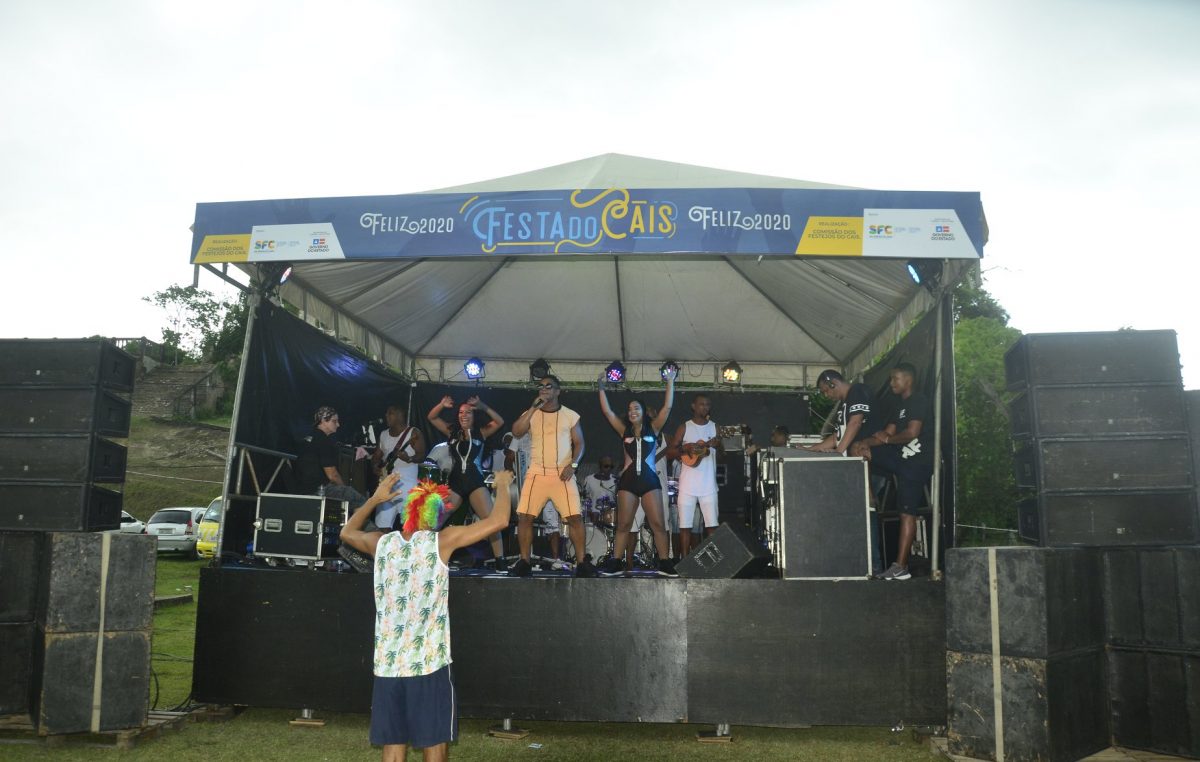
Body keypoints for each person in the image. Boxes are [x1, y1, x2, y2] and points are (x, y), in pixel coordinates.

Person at [341, 470, 514, 761]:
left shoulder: (382, 543)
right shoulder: (441, 542)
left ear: (408, 513)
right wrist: (504, 486)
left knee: (393, 747)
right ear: (434, 517)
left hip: (388, 665)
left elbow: (346, 533)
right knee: (435, 744)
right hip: (429, 664)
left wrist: (374, 499)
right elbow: (499, 521)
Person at [851, 362, 934, 581]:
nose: (891, 383)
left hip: (916, 463)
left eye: (894, 379)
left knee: (907, 513)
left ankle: (901, 567)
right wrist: (864, 442)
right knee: (860, 450)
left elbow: (911, 433)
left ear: (908, 380)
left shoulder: (919, 400)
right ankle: (869, 495)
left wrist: (887, 439)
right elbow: (886, 433)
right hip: (900, 458)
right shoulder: (900, 405)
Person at [510, 374, 595, 577]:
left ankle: (582, 563)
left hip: (562, 475)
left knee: (575, 517)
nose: (544, 389)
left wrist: (573, 465)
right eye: (541, 386)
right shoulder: (532, 413)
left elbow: (580, 443)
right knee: (525, 517)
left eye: (549, 386)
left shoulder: (570, 415)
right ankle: (524, 561)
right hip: (537, 473)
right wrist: (532, 408)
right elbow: (516, 431)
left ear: (558, 391)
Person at [597, 369, 678, 576]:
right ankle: (616, 562)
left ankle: (665, 563)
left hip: (650, 480)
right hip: (628, 481)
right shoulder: (623, 430)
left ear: (643, 411)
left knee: (658, 524)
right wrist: (601, 388)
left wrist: (670, 381)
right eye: (630, 408)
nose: (632, 411)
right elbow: (608, 413)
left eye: (636, 408)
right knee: (623, 524)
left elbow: (667, 407)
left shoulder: (654, 428)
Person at [427, 395, 506, 569]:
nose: (464, 415)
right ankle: (425, 555)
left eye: (468, 412)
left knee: (491, 522)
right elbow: (432, 417)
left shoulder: (481, 432)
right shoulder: (451, 432)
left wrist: (482, 405)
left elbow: (499, 421)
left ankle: (501, 562)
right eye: (461, 412)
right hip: (455, 483)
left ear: (474, 415)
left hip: (474, 482)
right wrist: (441, 404)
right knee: (434, 519)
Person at [669, 394, 723, 559]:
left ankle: (713, 560)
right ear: (693, 406)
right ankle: (684, 560)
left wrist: (718, 445)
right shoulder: (684, 427)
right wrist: (687, 449)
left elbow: (722, 455)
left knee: (712, 526)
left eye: (707, 404)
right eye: (701, 404)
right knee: (685, 526)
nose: (705, 407)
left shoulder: (715, 428)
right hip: (687, 486)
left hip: (708, 486)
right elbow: (670, 452)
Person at [371, 405, 426, 530]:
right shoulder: (384, 434)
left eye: (390, 413)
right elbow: (377, 456)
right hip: (387, 485)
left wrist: (409, 459)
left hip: (407, 486)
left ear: (400, 415)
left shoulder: (413, 433)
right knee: (382, 526)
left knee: (411, 526)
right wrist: (374, 466)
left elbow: (422, 456)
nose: (386, 416)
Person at [806, 370, 875, 454]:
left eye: (826, 391)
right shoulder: (842, 404)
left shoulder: (857, 391)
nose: (826, 395)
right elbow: (836, 437)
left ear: (833, 383)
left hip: (867, 458)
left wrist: (838, 451)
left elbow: (855, 423)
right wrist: (809, 449)